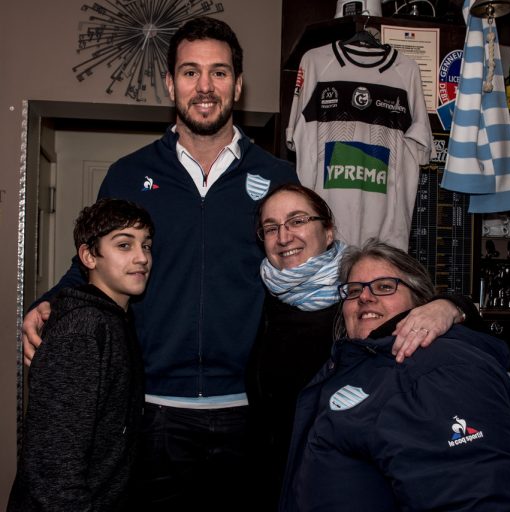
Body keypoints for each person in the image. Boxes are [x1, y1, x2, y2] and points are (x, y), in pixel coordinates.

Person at [21, 16, 298, 509]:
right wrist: (49, 304)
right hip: (151, 416)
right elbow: (88, 267)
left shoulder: (279, 178)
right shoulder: (128, 174)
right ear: (171, 83)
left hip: (250, 416)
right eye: (191, 72)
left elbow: (318, 275)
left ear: (237, 83)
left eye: (219, 72)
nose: (205, 86)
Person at [249, 183, 482, 509]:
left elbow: (431, 327)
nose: (284, 236)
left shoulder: (361, 299)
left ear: (328, 231)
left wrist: (450, 306)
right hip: (278, 482)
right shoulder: (259, 297)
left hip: (355, 485)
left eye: (297, 220)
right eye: (271, 227)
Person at [280, 239, 510, 512]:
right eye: (354, 290)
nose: (365, 297)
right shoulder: (367, 361)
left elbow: (477, 500)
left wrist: (452, 306)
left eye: (384, 287)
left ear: (421, 302)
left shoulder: (439, 370)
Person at [8, 198, 153, 511]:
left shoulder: (115, 319)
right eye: (124, 245)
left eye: (146, 245)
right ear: (89, 256)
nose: (141, 257)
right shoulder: (82, 330)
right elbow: (54, 468)